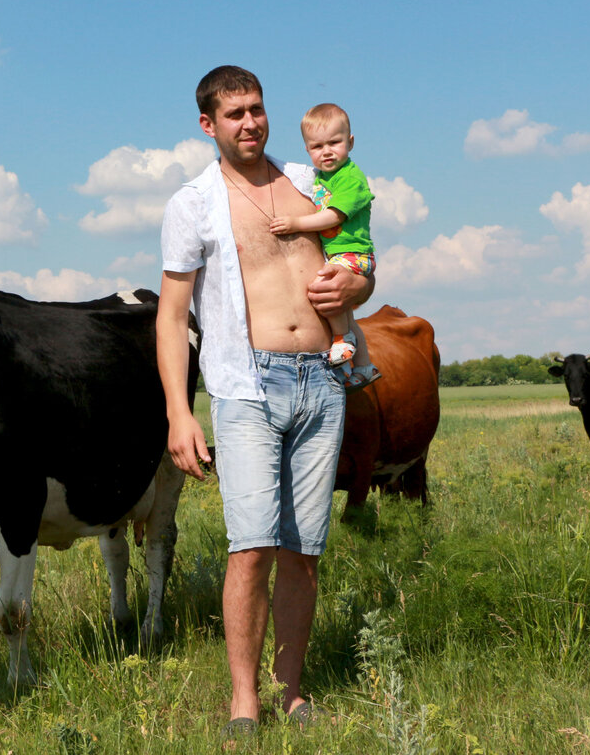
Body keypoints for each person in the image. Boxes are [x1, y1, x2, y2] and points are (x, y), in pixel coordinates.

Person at [155, 66, 373, 737]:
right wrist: (178, 410)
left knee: (303, 549)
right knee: (250, 546)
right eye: (233, 114)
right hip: (248, 386)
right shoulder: (192, 203)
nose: (249, 123)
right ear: (208, 125)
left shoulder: (312, 182)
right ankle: (244, 702)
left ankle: (291, 690)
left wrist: (354, 295)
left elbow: (360, 263)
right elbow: (170, 315)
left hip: (321, 380)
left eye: (256, 109)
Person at [270, 103, 379, 390]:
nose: (326, 151)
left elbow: (334, 216)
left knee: (323, 286)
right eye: (317, 146)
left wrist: (295, 223)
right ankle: (365, 367)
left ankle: (342, 340)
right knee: (346, 310)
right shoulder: (320, 178)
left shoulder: (351, 178)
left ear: (350, 142)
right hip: (339, 254)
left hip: (353, 254)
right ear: (307, 150)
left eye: (335, 142)